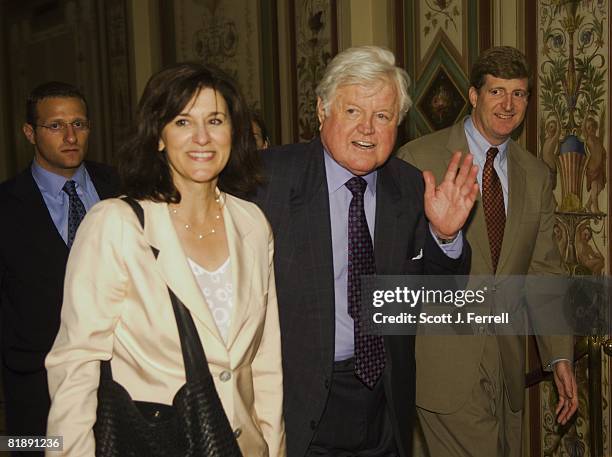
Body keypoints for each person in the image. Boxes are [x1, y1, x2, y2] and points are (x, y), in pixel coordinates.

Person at [45, 63, 285, 456]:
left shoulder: (252, 224)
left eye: (215, 120)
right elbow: (75, 364)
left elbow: (265, 362)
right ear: (159, 136)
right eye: (183, 122)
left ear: (233, 131)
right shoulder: (116, 225)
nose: (203, 137)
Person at [253, 45, 478, 457]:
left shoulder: (411, 189)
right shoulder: (266, 181)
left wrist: (445, 237)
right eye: (353, 111)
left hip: (383, 404)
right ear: (322, 110)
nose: (368, 129)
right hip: (294, 402)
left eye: (383, 116)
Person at [397, 46, 578, 457]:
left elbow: (544, 272)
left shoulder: (535, 175)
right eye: (497, 92)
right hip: (443, 362)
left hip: (507, 365)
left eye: (519, 94)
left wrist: (559, 356)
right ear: (474, 96)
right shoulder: (418, 159)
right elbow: (401, 266)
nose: (508, 104)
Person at [0, 81, 118, 450]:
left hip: (122, 378)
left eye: (79, 124)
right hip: (37, 387)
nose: (70, 136)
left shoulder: (123, 186)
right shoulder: (4, 206)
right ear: (29, 133)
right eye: (55, 126)